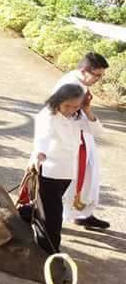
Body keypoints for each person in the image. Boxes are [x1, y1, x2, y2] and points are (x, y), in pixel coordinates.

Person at [31, 83, 103, 251]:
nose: (70, 109)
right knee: (52, 216)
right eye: (67, 105)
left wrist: (87, 110)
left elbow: (98, 132)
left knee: (48, 209)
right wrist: (39, 154)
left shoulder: (77, 116)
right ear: (58, 100)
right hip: (49, 171)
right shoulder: (48, 115)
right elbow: (43, 137)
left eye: (75, 106)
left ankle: (26, 217)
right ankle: (49, 251)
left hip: (68, 173)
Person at [52, 52, 110, 230]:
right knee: (71, 181)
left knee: (88, 178)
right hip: (71, 140)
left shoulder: (79, 83)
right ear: (85, 70)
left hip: (82, 137)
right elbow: (61, 115)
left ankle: (82, 213)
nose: (99, 79)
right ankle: (60, 217)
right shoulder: (70, 86)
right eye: (97, 75)